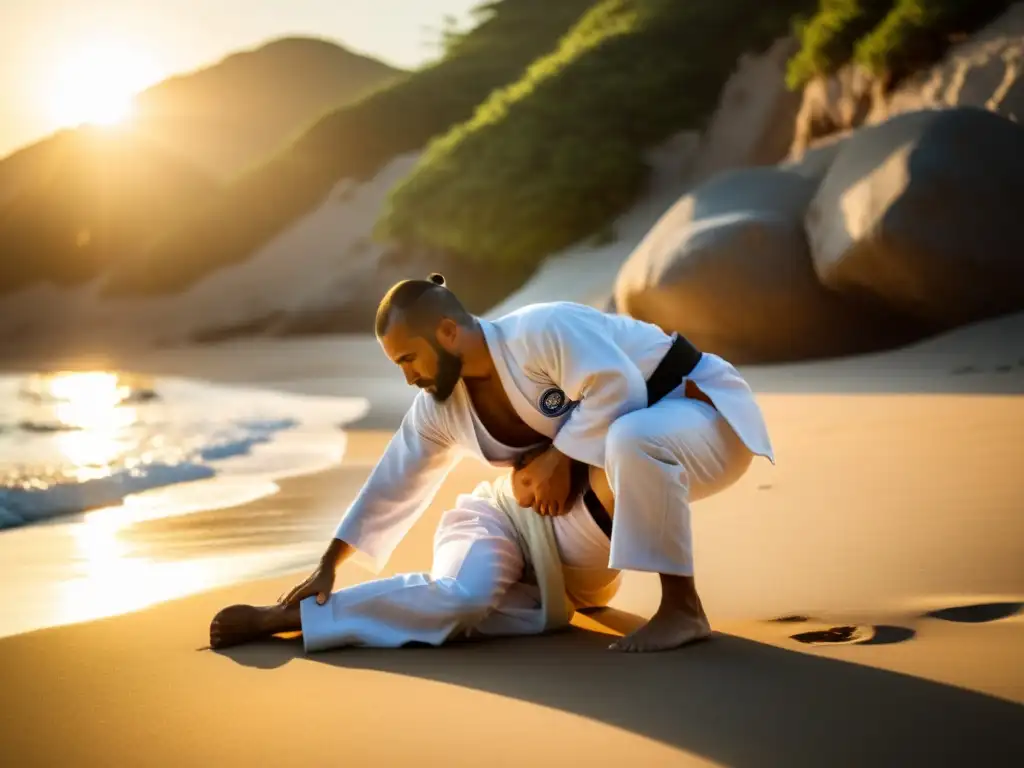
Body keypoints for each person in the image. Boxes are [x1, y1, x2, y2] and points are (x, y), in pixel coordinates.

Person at [209, 274, 773, 652]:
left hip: (698, 408)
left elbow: (617, 385)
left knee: (628, 437)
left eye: (409, 358)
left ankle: (682, 608)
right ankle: (300, 620)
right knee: (467, 599)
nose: (407, 376)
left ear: (449, 332)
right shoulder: (438, 406)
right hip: (522, 521)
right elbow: (395, 479)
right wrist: (332, 561)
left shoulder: (539, 331)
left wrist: (560, 458)